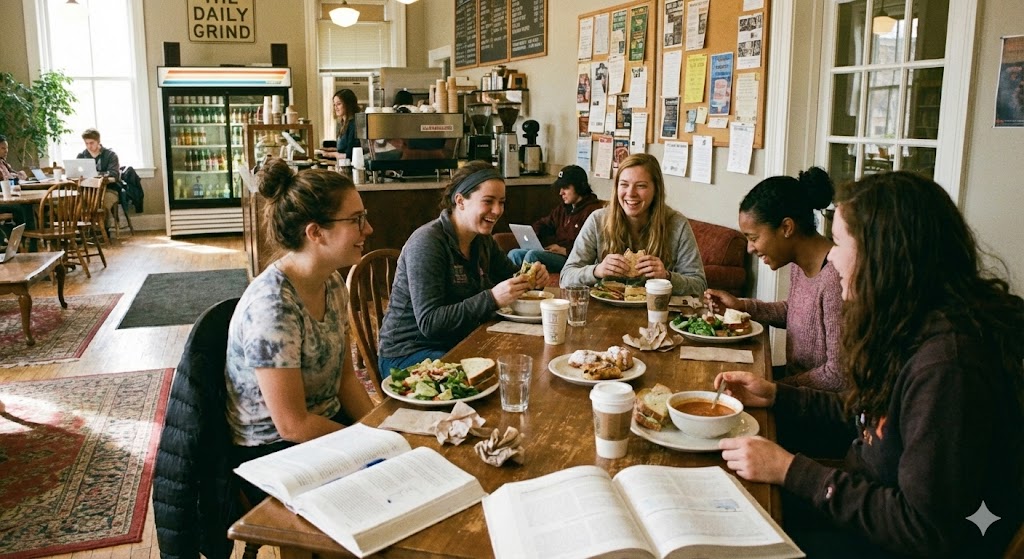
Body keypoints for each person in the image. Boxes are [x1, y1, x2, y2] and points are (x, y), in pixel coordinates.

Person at [716, 171, 1024, 557]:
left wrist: (790, 470)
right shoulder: (908, 326)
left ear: (885, 253)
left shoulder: (949, 367)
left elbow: (925, 529)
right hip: (856, 505)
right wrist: (777, 394)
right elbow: (866, 415)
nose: (834, 256)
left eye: (842, 243)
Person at [225, 158, 376, 499]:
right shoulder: (273, 306)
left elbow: (346, 380)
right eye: (357, 220)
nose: (368, 229)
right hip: (272, 450)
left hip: (319, 425)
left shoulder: (332, 283)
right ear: (315, 232)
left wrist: (379, 428)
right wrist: (368, 442)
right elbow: (291, 425)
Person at [377, 161, 550, 373]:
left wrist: (534, 281)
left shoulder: (482, 239)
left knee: (526, 360)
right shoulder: (427, 243)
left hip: (459, 342)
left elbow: (511, 278)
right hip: (409, 353)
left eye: (502, 202)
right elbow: (430, 323)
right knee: (492, 378)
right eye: (488, 201)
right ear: (460, 201)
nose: (497, 211)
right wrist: (492, 298)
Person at [704, 167, 844, 391]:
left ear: (787, 227)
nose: (750, 248)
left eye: (754, 238)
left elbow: (838, 376)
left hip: (819, 408)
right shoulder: (802, 264)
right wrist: (741, 306)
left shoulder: (836, 281)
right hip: (795, 389)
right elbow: (797, 312)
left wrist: (774, 387)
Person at [560, 153, 706, 295]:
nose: (631, 193)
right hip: (604, 313)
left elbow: (699, 285)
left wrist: (667, 277)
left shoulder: (678, 225)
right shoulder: (598, 220)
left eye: (641, 186)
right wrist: (596, 271)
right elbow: (565, 278)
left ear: (656, 190)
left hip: (657, 314)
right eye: (624, 184)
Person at [507, 165, 603, 273]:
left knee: (532, 256)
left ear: (580, 186)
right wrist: (532, 235)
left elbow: (593, 246)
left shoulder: (593, 211)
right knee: (514, 254)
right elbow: (544, 223)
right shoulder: (563, 208)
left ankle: (525, 287)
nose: (561, 192)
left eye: (565, 188)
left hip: (572, 260)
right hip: (556, 254)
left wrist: (565, 250)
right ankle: (511, 287)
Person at [76, 128, 122, 231]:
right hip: (86, 191)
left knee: (101, 202)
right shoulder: (82, 156)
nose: (89, 146)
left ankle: (103, 230)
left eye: (91, 143)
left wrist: (94, 174)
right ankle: (81, 232)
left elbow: (114, 174)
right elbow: (76, 173)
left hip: (108, 189)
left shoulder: (110, 155)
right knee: (74, 201)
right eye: (86, 143)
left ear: (98, 141)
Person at [325, 89, 360, 161]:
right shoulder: (342, 123)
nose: (336, 108)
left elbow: (350, 154)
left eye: (339, 104)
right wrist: (328, 150)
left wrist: (330, 154)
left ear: (348, 104)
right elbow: (342, 148)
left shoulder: (354, 125)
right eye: (334, 104)